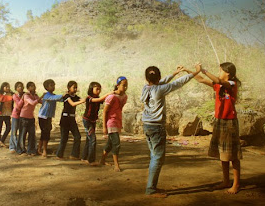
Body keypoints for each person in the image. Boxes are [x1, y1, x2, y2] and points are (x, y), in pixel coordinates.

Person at [140, 65, 201, 197]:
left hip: (147, 125)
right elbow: (178, 83)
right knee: (157, 157)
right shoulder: (160, 89)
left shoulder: (146, 88)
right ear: (159, 77)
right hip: (156, 127)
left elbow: (161, 82)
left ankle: (152, 186)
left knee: (154, 155)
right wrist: (195, 72)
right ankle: (150, 189)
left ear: (146, 78)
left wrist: (174, 73)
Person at [187, 62, 242, 194]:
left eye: (220, 70)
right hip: (219, 121)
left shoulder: (232, 84)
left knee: (233, 155)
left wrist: (204, 70)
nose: (219, 72)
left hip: (229, 122)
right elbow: (200, 79)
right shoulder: (218, 85)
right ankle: (226, 181)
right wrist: (190, 71)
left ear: (227, 73)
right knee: (222, 153)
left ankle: (236, 184)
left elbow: (219, 81)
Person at [99, 76, 128, 172]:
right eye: (123, 85)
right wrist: (104, 127)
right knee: (116, 143)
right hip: (111, 122)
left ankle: (102, 160)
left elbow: (119, 109)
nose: (125, 87)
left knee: (110, 143)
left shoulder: (124, 97)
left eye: (126, 85)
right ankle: (116, 164)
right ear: (118, 85)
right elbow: (105, 111)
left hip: (117, 121)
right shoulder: (111, 97)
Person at [81, 82, 113, 165]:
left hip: (92, 121)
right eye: (97, 89)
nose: (99, 91)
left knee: (89, 140)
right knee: (92, 139)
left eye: (99, 89)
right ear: (91, 89)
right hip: (87, 121)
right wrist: (108, 94)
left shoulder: (97, 97)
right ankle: (91, 160)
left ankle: (84, 157)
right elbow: (99, 100)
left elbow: (103, 100)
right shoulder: (89, 98)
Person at [55, 81, 85, 160]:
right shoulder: (66, 96)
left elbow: (83, 100)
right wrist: (83, 101)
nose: (75, 89)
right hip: (65, 119)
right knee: (64, 138)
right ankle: (59, 154)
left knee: (77, 136)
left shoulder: (76, 97)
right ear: (69, 88)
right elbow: (72, 104)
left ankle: (74, 155)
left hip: (72, 119)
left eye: (76, 87)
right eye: (74, 87)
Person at [37, 79, 63, 158]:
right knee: (46, 134)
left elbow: (60, 99)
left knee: (45, 133)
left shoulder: (52, 95)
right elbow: (56, 98)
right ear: (46, 87)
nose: (53, 87)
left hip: (48, 117)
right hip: (43, 117)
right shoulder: (47, 95)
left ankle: (39, 149)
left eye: (54, 85)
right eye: (51, 85)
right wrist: (64, 95)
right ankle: (44, 150)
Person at [17, 82, 44, 156]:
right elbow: (32, 103)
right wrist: (41, 97)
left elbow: (41, 102)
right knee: (22, 134)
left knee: (32, 134)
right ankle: (21, 150)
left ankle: (31, 150)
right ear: (28, 88)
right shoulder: (26, 95)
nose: (34, 87)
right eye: (32, 86)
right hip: (24, 117)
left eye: (34, 86)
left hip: (31, 118)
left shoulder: (35, 95)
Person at [9, 82, 25, 153]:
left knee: (21, 132)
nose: (20, 88)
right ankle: (13, 147)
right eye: (18, 87)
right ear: (16, 89)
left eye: (21, 86)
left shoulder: (25, 95)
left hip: (23, 115)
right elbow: (19, 104)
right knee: (14, 131)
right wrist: (24, 98)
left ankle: (20, 146)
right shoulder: (15, 96)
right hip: (16, 115)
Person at [0, 82, 13, 147]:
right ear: (3, 87)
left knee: (8, 127)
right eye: (6, 87)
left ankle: (2, 140)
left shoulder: (11, 94)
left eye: (8, 87)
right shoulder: (0, 94)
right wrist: (11, 97)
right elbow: (2, 99)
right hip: (0, 113)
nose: (8, 88)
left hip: (7, 113)